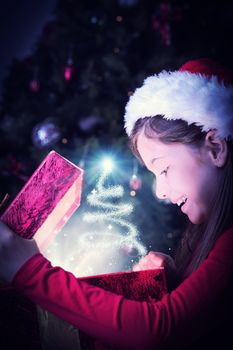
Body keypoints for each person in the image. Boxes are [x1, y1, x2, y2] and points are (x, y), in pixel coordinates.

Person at [1, 58, 233, 350]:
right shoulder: (208, 239)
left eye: (163, 169)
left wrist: (30, 271)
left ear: (215, 148)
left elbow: (158, 330)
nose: (160, 191)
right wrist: (176, 283)